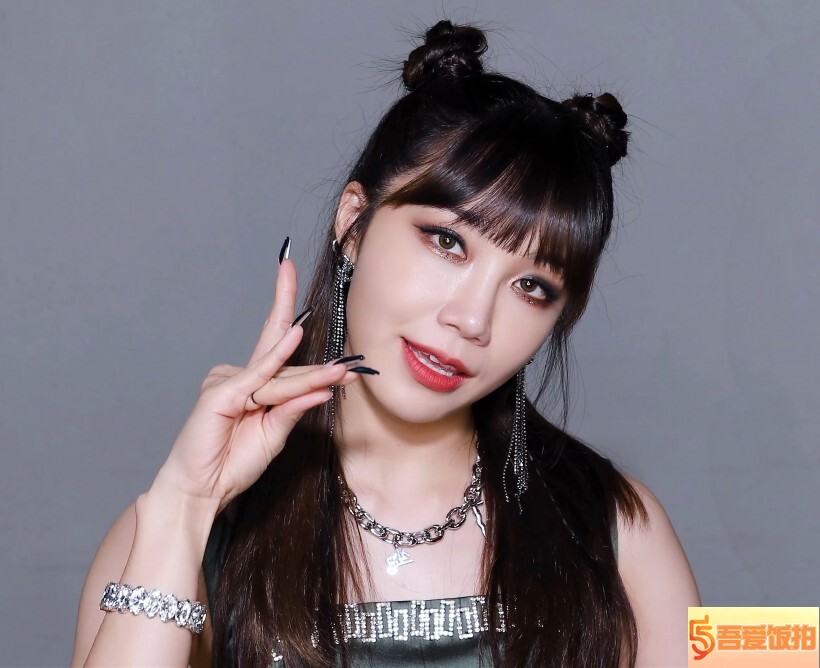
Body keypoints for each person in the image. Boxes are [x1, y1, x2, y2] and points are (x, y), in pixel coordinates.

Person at [71, 20, 700, 668]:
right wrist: (184, 506)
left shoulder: (621, 529)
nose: (472, 319)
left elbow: (755, 649)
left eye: (531, 287)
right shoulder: (176, 531)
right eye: (448, 242)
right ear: (354, 225)